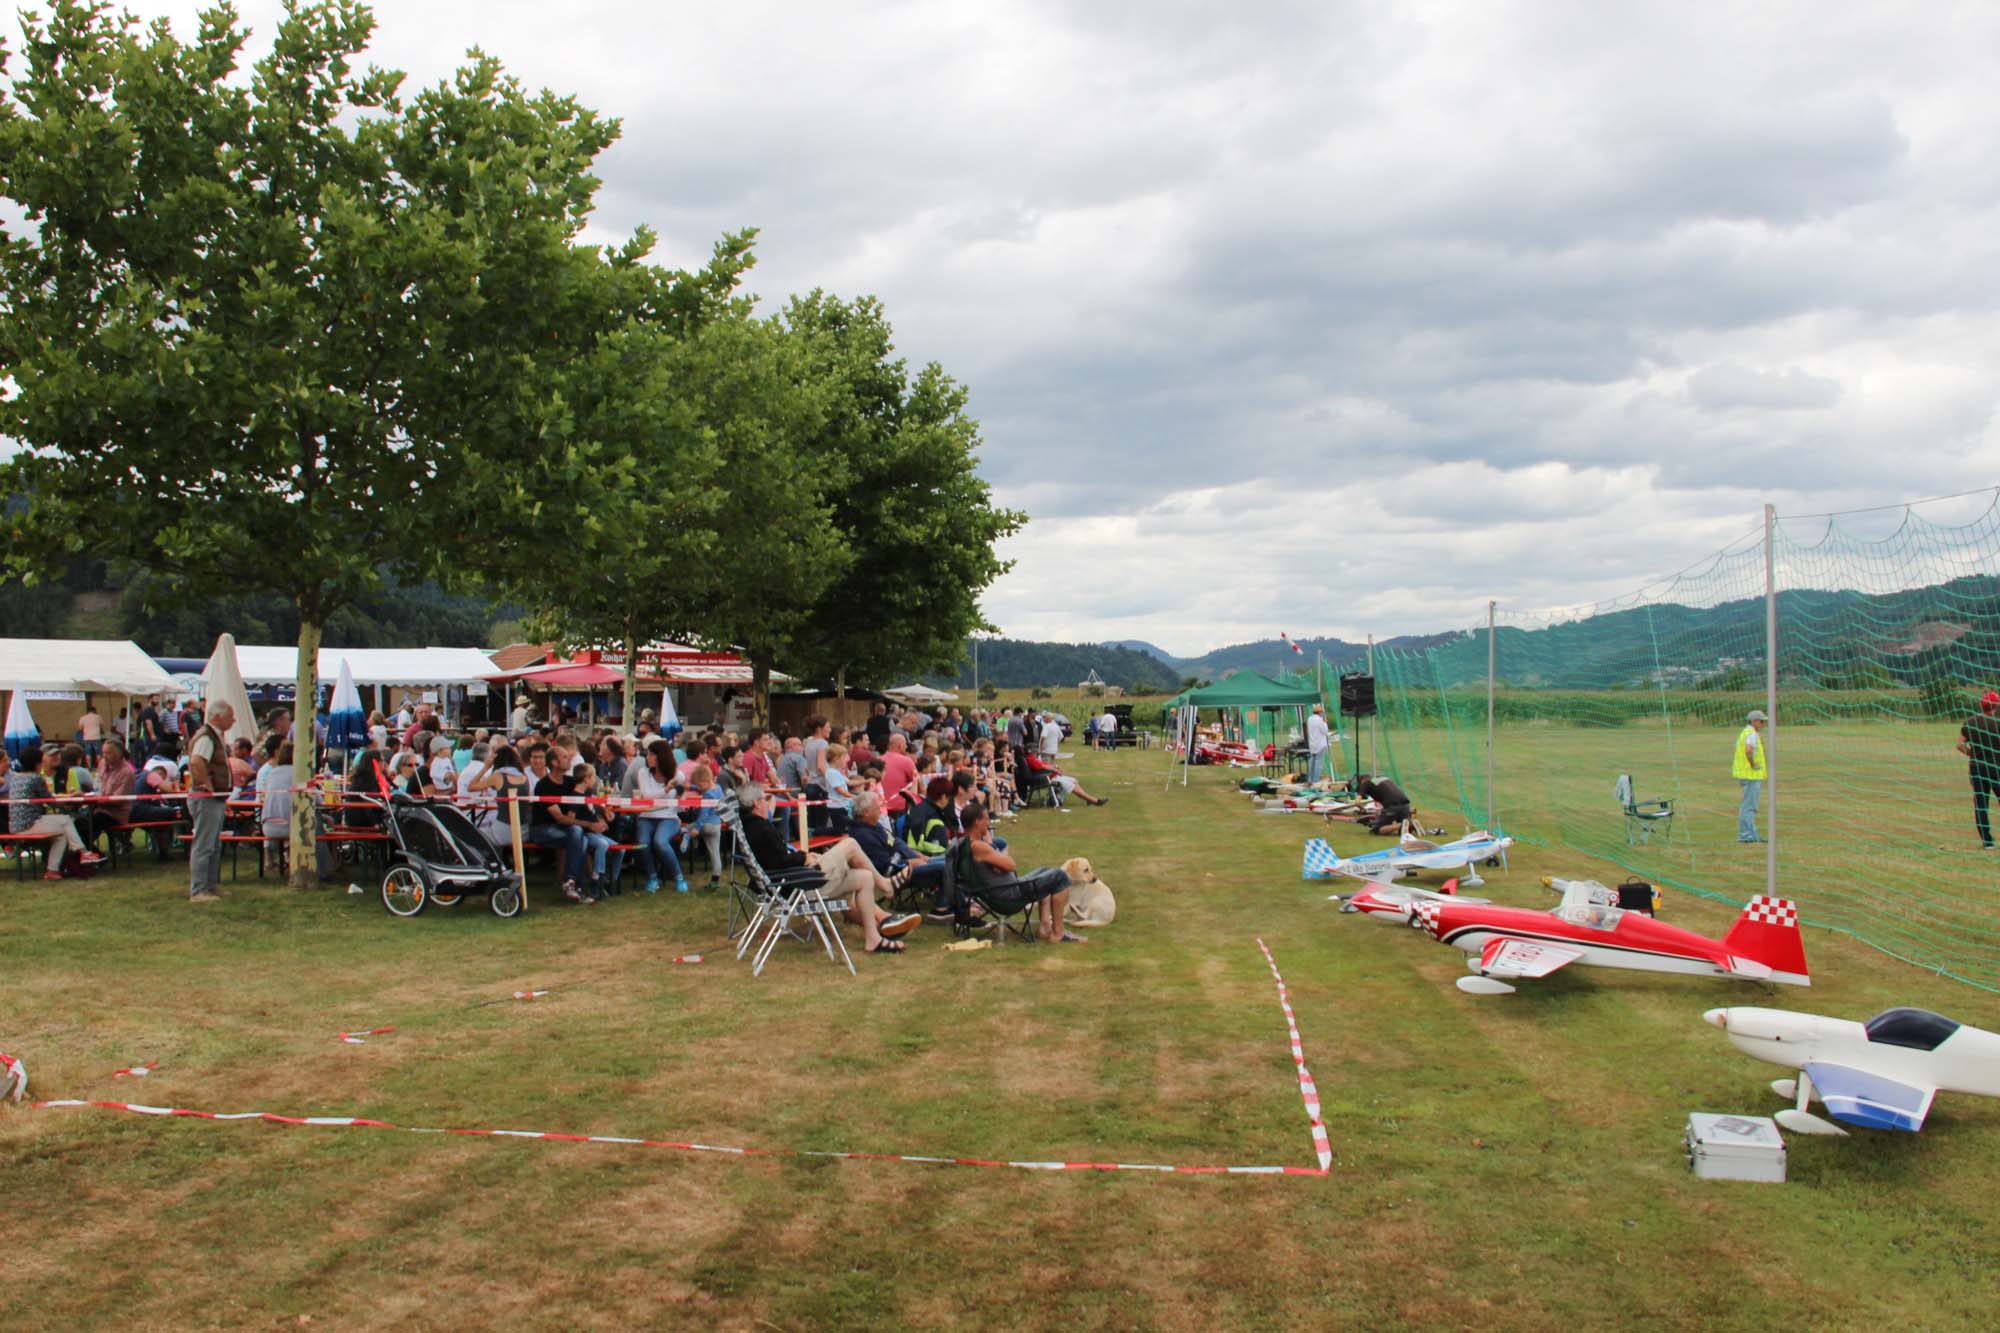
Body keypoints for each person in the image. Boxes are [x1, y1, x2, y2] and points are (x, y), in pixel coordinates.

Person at [735, 781, 917, 954]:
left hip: (792, 881)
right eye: (765, 800)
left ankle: (873, 938)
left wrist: (804, 857)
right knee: (850, 844)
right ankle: (885, 886)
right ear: (757, 803)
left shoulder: (752, 826)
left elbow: (775, 859)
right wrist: (804, 857)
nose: (768, 803)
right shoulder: (759, 829)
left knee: (864, 877)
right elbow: (779, 862)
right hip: (800, 884)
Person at [960, 802, 1079, 943]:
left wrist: (999, 864)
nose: (989, 822)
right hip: (1008, 895)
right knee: (1060, 876)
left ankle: (1045, 927)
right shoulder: (979, 846)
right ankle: (1058, 933)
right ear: (977, 822)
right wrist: (991, 844)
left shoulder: (964, 843)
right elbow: (1011, 865)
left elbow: (999, 866)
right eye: (986, 818)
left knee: (1045, 871)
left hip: (1002, 889)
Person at [9, 745, 104, 881]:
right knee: (65, 820)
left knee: (61, 835)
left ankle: (52, 870)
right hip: (30, 824)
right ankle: (83, 852)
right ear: (37, 763)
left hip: (16, 825)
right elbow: (50, 800)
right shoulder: (35, 779)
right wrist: (68, 803)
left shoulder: (16, 778)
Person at [523, 744, 592, 904]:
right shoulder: (543, 785)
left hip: (565, 828)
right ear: (554, 763)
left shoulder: (570, 782)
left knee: (578, 836)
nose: (569, 760)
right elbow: (560, 818)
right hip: (543, 829)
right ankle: (575, 884)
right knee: (578, 837)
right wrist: (588, 825)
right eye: (565, 757)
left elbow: (587, 799)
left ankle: (571, 883)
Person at [185, 701, 236, 902]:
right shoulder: (207, 737)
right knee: (204, 845)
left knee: (213, 845)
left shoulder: (213, 736)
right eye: (230, 716)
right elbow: (197, 761)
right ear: (217, 717)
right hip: (206, 798)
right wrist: (207, 784)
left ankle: (211, 885)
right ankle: (198, 890)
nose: (233, 720)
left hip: (214, 798)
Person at [625, 738, 688, 894]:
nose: (648, 758)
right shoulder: (643, 773)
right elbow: (647, 796)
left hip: (669, 817)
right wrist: (666, 789)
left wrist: (680, 798)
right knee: (643, 842)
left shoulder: (677, 775)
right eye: (648, 755)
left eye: (652, 755)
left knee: (660, 842)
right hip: (646, 815)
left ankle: (679, 877)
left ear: (661, 756)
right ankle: (652, 877)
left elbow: (682, 796)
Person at [1958, 692, 2000, 850]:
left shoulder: (1970, 722)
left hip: (1977, 768)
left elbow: (1960, 745)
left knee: (1981, 804)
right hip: (1997, 767)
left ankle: (1987, 842)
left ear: (1981, 705)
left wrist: (1972, 754)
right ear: (1996, 706)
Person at [1734, 709, 1768, 844]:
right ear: (1754, 721)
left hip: (1746, 775)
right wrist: (1753, 764)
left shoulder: (1745, 732)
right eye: (1761, 721)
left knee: (1747, 805)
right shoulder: (1752, 734)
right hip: (1751, 775)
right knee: (1749, 807)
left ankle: (1747, 834)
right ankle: (1748, 836)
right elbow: (1748, 751)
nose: (1763, 724)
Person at [1306, 704, 1331, 785]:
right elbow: (1325, 731)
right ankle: (1315, 781)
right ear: (1320, 712)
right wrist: (1325, 723)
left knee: (1312, 762)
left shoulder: (1309, 719)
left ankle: (1310, 779)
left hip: (1312, 743)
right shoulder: (1319, 720)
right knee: (1318, 763)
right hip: (1320, 744)